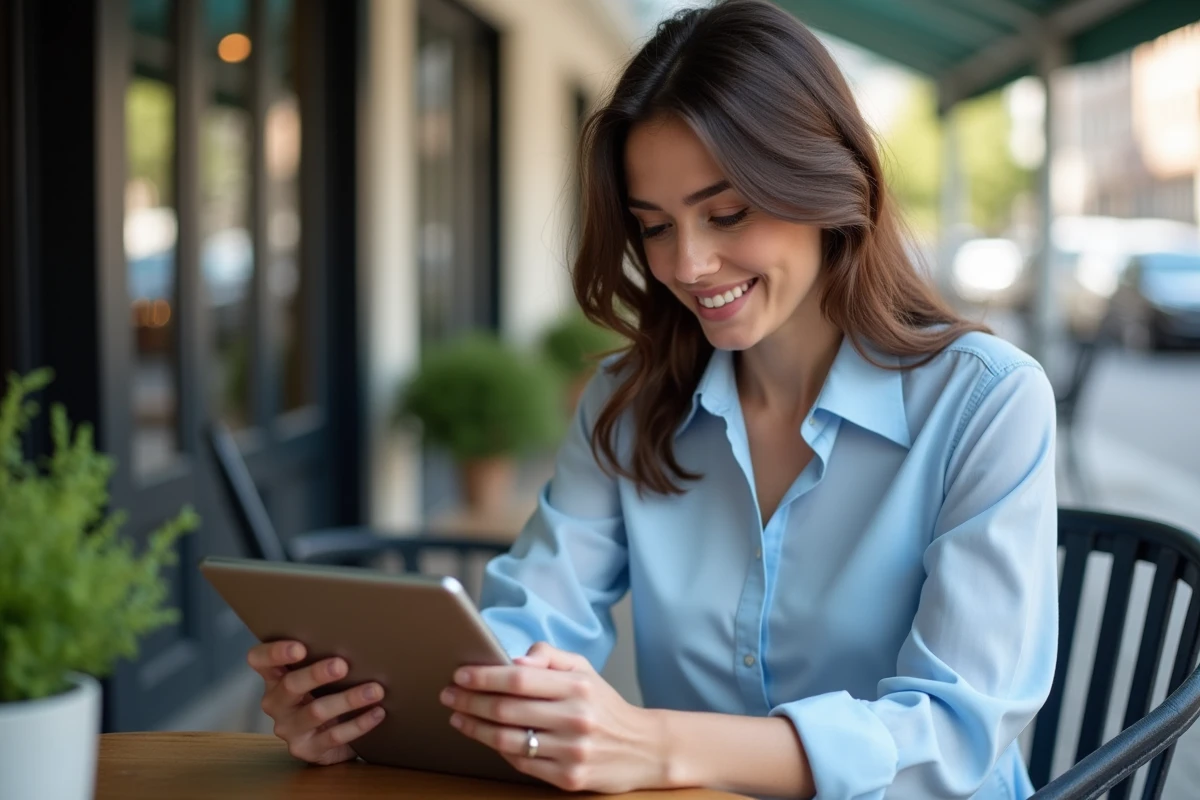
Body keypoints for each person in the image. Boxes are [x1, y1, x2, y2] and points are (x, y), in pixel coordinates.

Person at [247, 1, 1059, 797]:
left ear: (828, 184)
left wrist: (656, 743)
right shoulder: (626, 403)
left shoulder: (988, 404)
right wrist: (370, 710)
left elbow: (955, 732)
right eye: (655, 226)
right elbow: (533, 623)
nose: (689, 264)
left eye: (727, 213)